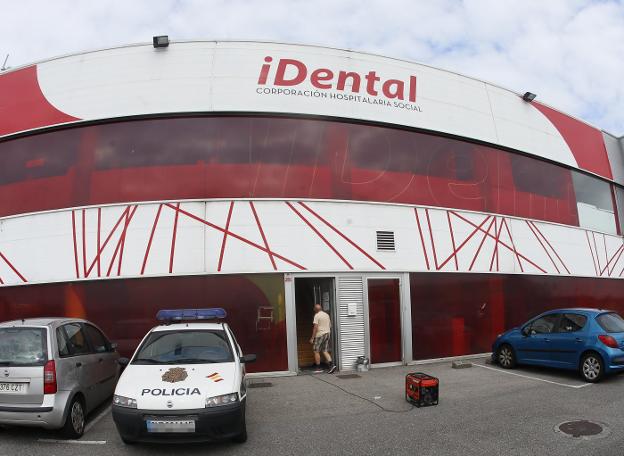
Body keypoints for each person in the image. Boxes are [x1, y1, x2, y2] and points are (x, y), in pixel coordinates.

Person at [309, 303, 336, 374]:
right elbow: (330, 325)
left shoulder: (317, 316)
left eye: (314, 309)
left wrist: (312, 338)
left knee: (316, 350)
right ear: (321, 309)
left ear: (315, 309)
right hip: (327, 334)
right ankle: (331, 365)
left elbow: (315, 327)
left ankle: (318, 368)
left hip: (320, 334)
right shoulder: (326, 315)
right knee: (324, 350)